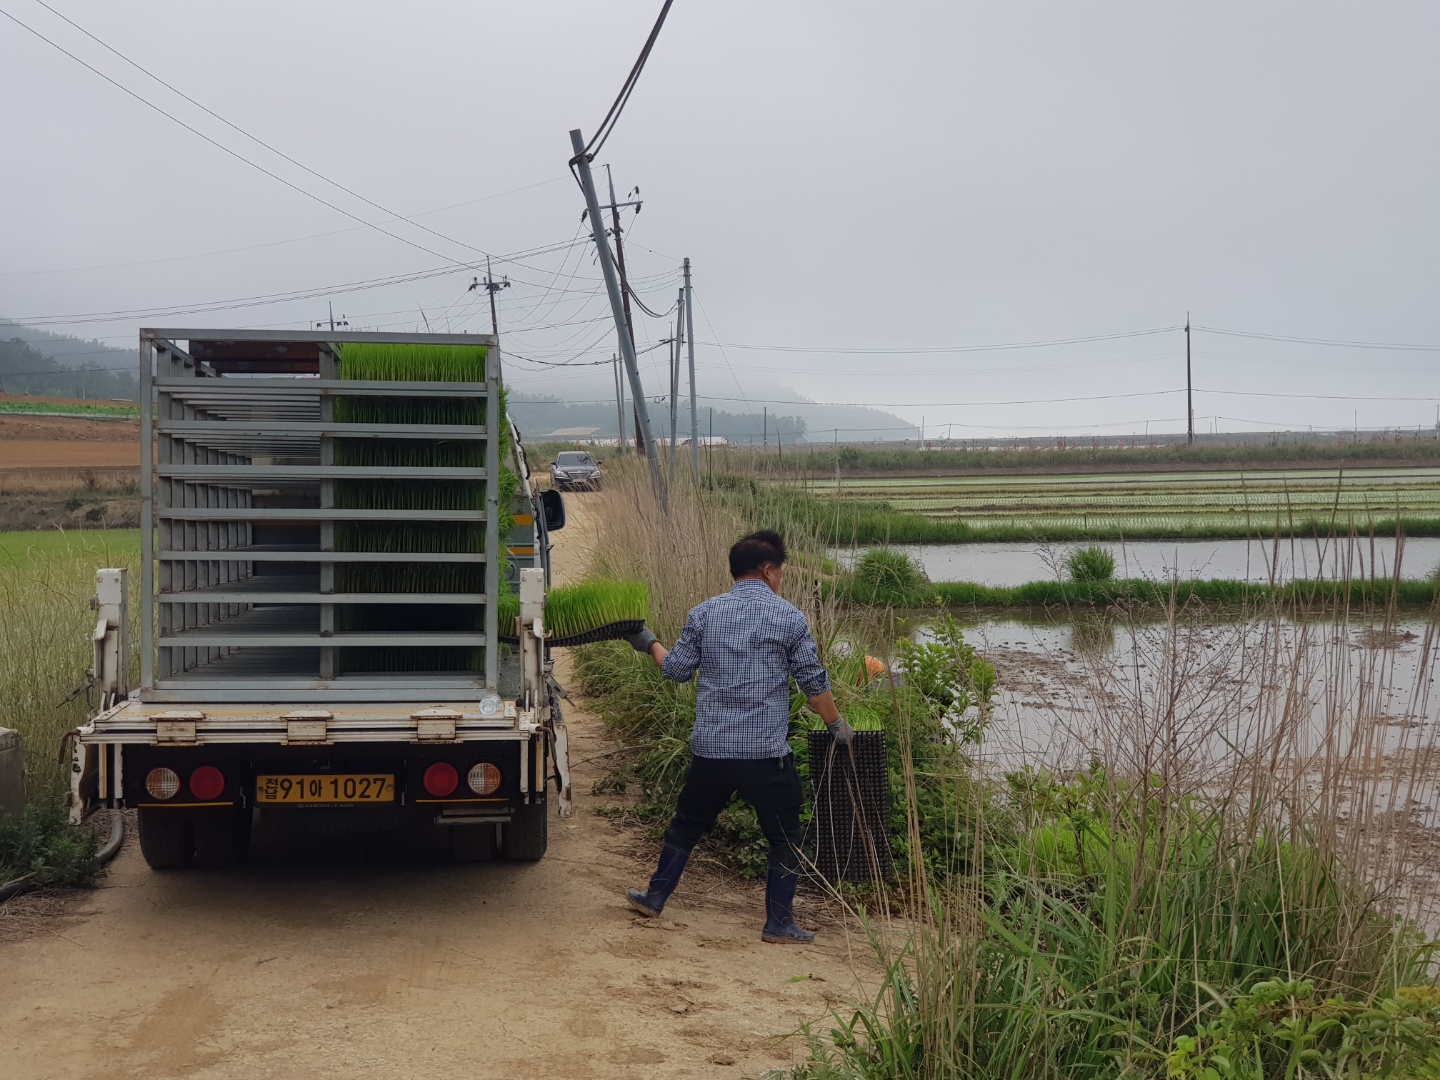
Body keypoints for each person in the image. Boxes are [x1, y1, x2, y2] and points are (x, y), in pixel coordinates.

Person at [622, 529, 853, 944]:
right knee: (785, 838)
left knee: (687, 826)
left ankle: (654, 898)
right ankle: (779, 923)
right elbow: (814, 686)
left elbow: (675, 671)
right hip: (765, 756)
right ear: (768, 571)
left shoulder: (704, 613)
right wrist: (838, 728)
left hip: (711, 752)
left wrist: (650, 642)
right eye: (780, 572)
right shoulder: (789, 618)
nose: (780, 578)